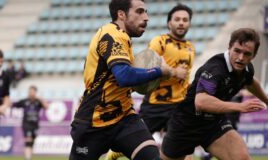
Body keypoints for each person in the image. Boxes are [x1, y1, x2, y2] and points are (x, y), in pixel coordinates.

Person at [69, 0, 186, 160]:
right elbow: (124, 76)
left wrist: (155, 75)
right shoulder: (111, 35)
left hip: (124, 117)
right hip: (94, 121)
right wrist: (160, 71)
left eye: (146, 12)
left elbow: (121, 82)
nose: (146, 17)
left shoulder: (123, 37)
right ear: (121, 14)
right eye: (139, 11)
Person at [160, 28, 268, 160]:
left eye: (247, 54)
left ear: (254, 55)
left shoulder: (246, 68)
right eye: (237, 51)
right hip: (185, 125)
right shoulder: (215, 69)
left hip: (214, 123)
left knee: (242, 158)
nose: (240, 58)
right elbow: (201, 102)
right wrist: (240, 107)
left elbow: (250, 81)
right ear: (229, 47)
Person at [106, 3, 194, 160]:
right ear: (169, 23)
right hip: (155, 105)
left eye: (185, 20)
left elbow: (185, 79)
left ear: (189, 23)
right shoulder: (159, 42)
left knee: (182, 153)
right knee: (135, 141)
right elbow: (147, 67)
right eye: (177, 19)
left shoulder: (191, 48)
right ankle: (114, 154)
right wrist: (174, 72)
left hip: (178, 106)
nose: (181, 23)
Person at [12, 85, 48, 160]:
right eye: (30, 91)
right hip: (26, 124)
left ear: (35, 92)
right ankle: (28, 158)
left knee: (32, 142)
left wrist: (40, 98)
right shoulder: (24, 101)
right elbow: (14, 105)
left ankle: (29, 157)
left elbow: (47, 107)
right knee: (28, 142)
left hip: (35, 125)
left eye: (33, 91)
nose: (31, 93)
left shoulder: (38, 102)